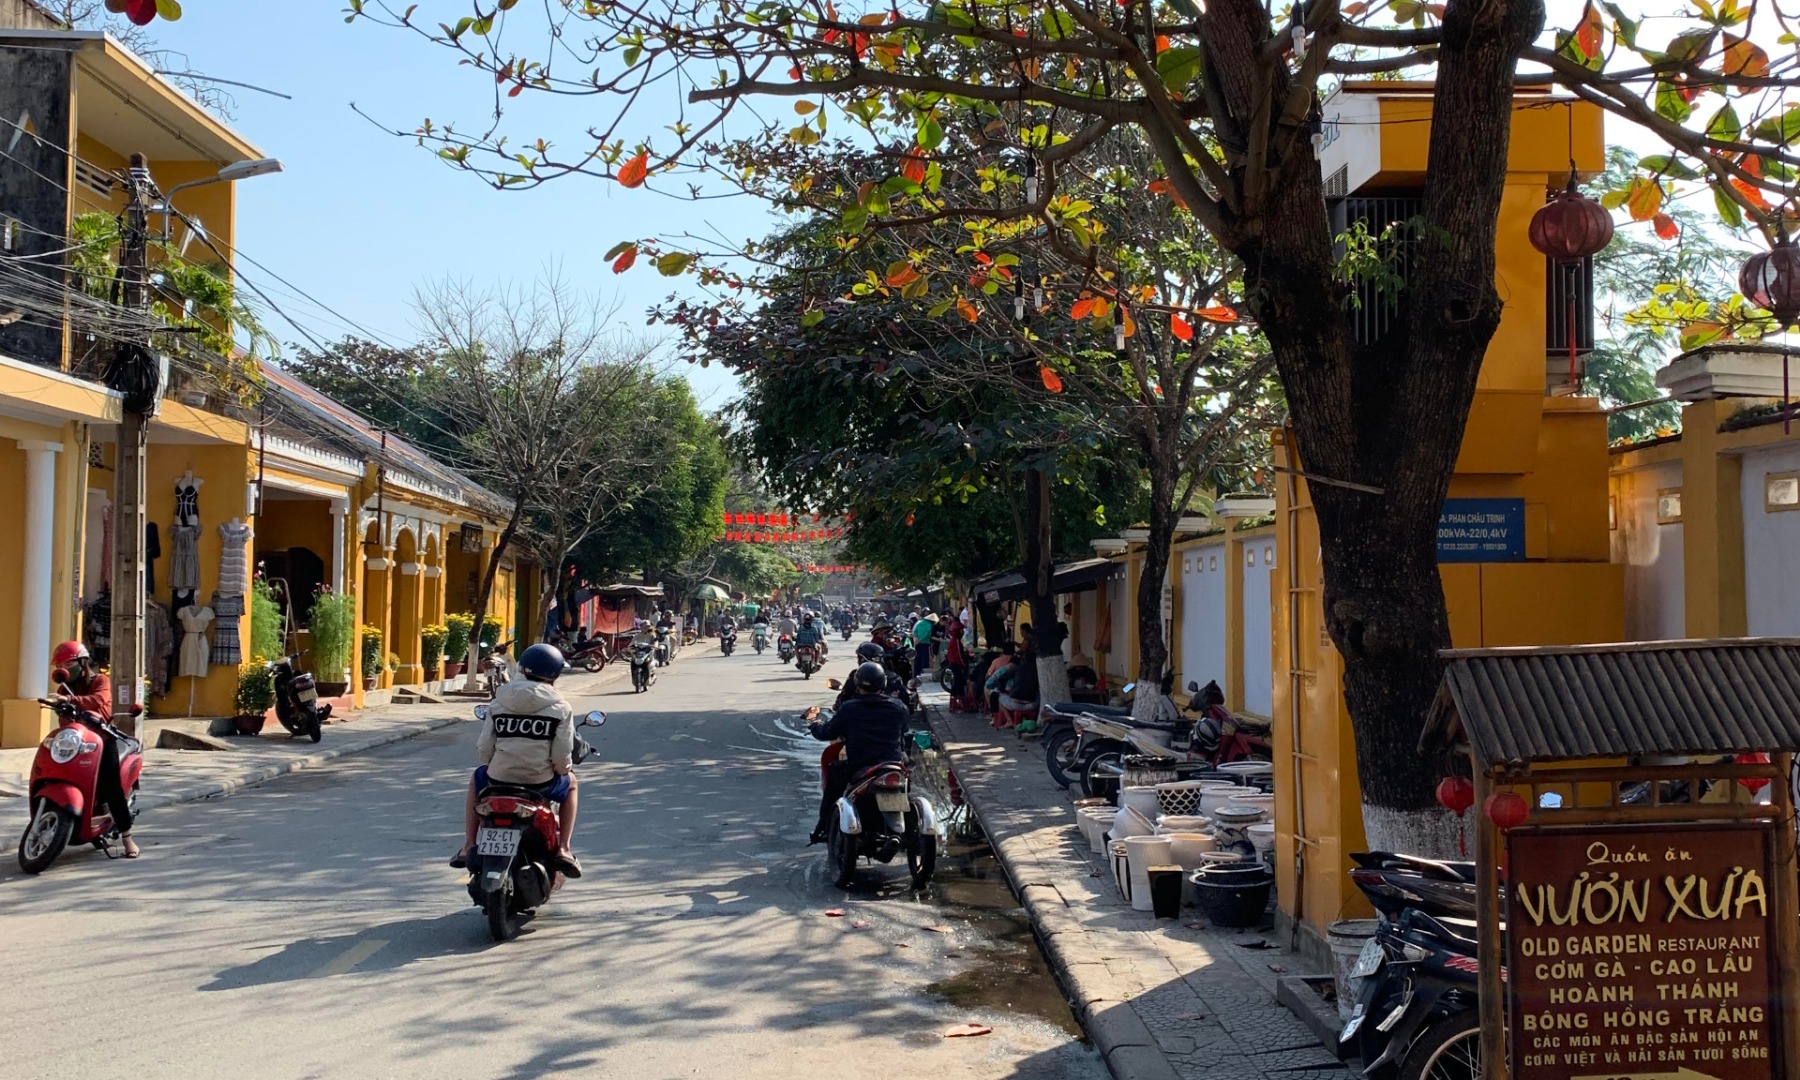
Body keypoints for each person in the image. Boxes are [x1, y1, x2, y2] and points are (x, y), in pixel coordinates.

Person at [451, 644, 582, 876]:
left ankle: (468, 845)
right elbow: (562, 757)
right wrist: (561, 769)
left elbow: (484, 749)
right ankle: (564, 848)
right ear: (554, 674)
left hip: (498, 779)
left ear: (522, 668)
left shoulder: (499, 702)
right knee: (571, 783)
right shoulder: (560, 707)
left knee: (476, 778)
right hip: (540, 783)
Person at [49, 641, 138, 859]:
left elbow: (99, 701)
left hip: (103, 739)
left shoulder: (100, 680)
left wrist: (70, 700)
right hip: (78, 741)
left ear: (82, 662)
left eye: (69, 663)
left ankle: (127, 838)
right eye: (60, 665)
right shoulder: (63, 688)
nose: (65, 669)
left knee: (111, 786)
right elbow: (63, 717)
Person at [808, 661, 909, 844]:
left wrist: (815, 724)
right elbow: (904, 732)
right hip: (893, 766)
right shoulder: (898, 707)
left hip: (861, 767)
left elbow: (827, 733)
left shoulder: (849, 708)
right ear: (883, 683)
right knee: (908, 782)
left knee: (834, 779)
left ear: (858, 683)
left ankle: (822, 827)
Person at [911, 610, 936, 680]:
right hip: (925, 643)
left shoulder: (919, 622)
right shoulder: (929, 625)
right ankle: (923, 674)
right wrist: (920, 640)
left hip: (918, 643)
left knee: (917, 658)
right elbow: (927, 634)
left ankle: (916, 673)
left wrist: (916, 640)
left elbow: (915, 632)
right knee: (925, 659)